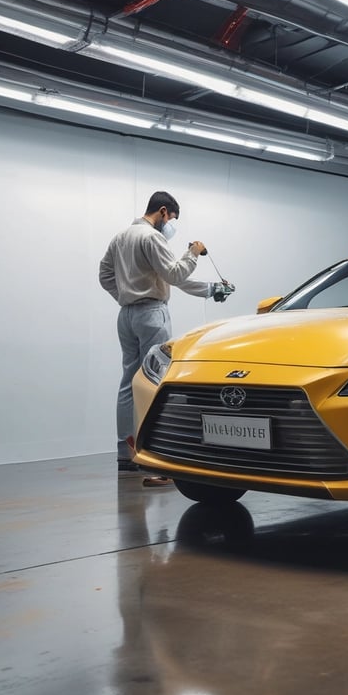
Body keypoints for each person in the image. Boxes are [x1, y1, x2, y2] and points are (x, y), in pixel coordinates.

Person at [99, 191, 233, 486]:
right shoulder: (151, 237)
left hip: (126, 316)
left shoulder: (120, 238)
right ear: (162, 212)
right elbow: (174, 274)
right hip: (151, 313)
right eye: (172, 219)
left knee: (129, 383)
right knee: (156, 382)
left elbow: (105, 276)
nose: (171, 225)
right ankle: (158, 459)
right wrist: (193, 252)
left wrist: (211, 290)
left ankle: (126, 452)